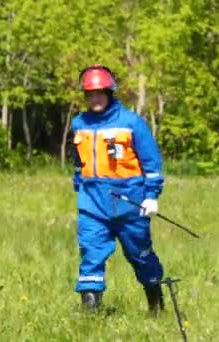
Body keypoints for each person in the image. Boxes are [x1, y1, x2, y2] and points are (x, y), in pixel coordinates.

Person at [70, 64, 165, 315]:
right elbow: (78, 162)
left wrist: (151, 196)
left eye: (100, 92)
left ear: (110, 92)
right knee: (91, 253)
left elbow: (152, 162)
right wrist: (79, 186)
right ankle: (90, 314)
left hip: (130, 204)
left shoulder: (131, 123)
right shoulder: (79, 124)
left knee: (140, 255)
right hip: (92, 204)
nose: (95, 98)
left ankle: (156, 304)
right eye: (90, 94)